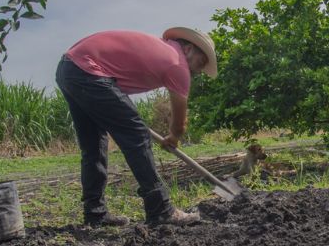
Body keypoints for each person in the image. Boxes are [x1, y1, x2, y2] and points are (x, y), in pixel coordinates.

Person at [56, 27, 217, 227]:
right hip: (88, 70)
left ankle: (95, 213)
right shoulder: (177, 64)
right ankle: (161, 210)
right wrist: (174, 137)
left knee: (94, 144)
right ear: (189, 49)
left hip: (69, 68)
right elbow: (180, 123)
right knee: (137, 135)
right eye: (200, 63)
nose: (198, 71)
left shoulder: (164, 49)